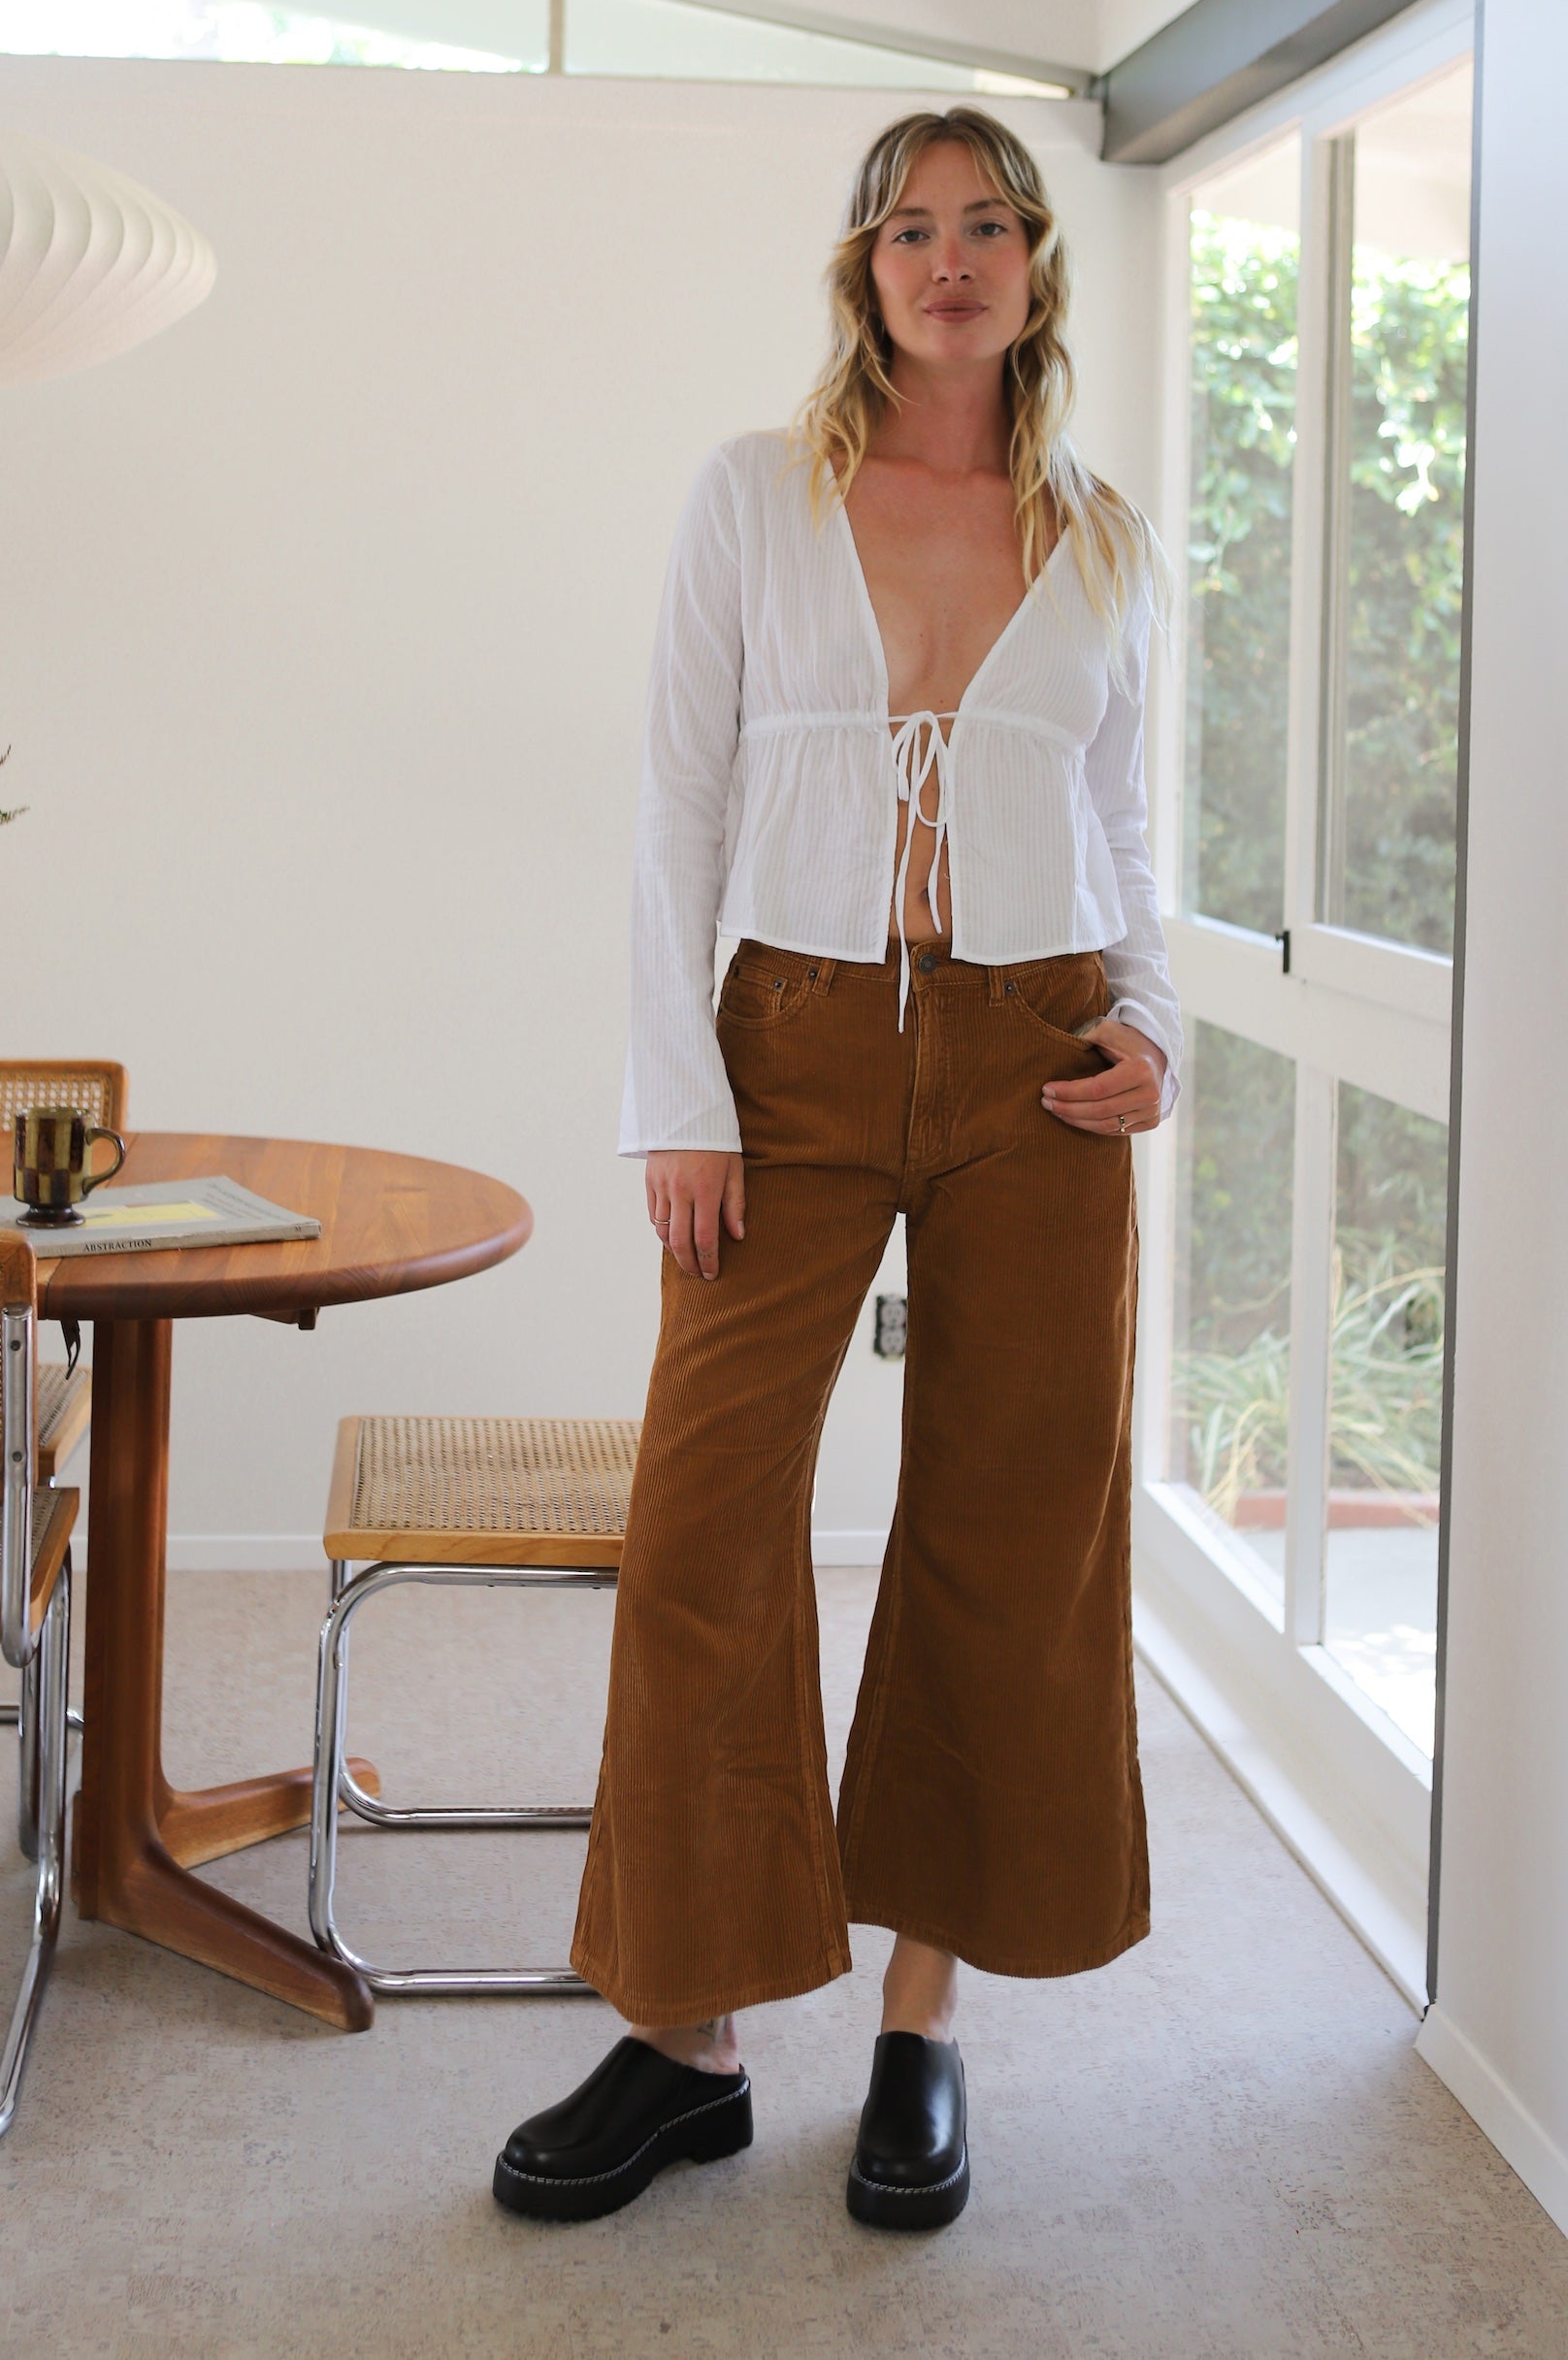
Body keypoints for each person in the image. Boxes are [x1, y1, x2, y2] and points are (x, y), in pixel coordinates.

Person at [493, 107, 1181, 2231]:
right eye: (908, 229)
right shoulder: (754, 496)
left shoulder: (1105, 539)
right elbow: (669, 804)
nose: (947, 260)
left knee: (1005, 1527)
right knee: (703, 1520)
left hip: (1037, 1058)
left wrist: (1153, 1020)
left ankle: (921, 2022)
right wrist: (677, 1098)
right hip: (784, 1049)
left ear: (1037, 266)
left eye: (984, 226)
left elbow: (1129, 820)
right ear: (863, 270)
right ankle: (685, 2036)